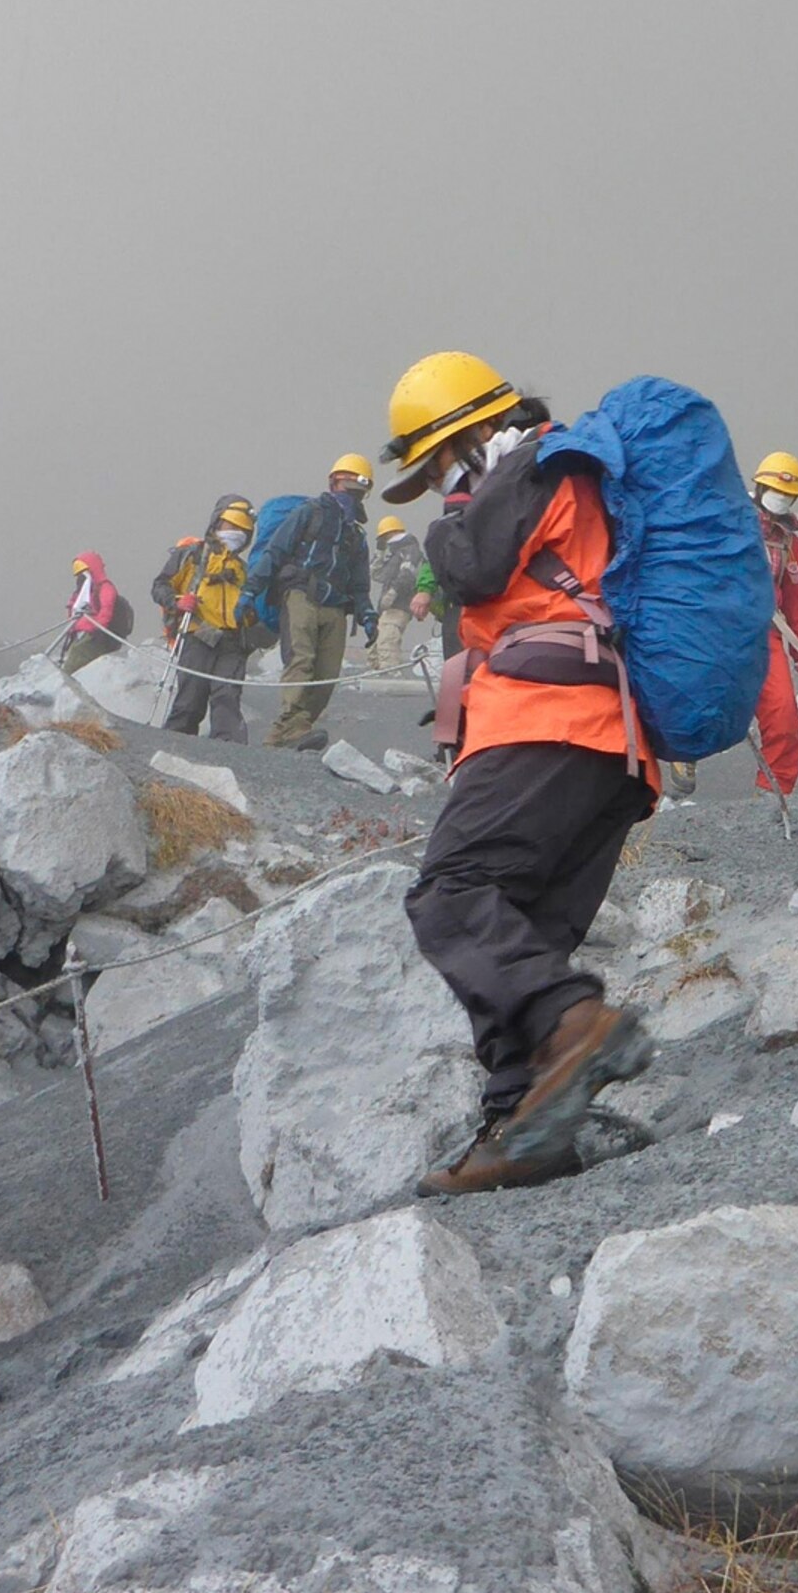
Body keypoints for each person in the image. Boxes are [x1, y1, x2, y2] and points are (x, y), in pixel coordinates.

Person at [387, 351, 656, 1196]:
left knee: (453, 893)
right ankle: (528, 1122)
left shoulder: (529, 462)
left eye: (434, 466)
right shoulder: (559, 471)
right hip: (608, 744)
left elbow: (470, 569)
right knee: (524, 929)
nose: (439, 486)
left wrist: (453, 517)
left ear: (464, 435)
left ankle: (578, 1028)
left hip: (548, 719)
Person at [257, 454, 380, 751]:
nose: (351, 489)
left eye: (358, 484)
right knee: (301, 660)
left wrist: (366, 614)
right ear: (333, 481)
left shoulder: (356, 535)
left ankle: (280, 736)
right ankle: (295, 725)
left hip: (336, 607)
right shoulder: (308, 513)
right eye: (347, 481)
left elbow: (360, 582)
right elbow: (276, 551)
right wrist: (251, 590)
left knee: (326, 675)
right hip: (300, 595)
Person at [153, 498, 261, 741]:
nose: (236, 534)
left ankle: (228, 753)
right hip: (197, 636)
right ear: (216, 524)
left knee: (227, 699)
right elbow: (160, 586)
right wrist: (177, 601)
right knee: (190, 700)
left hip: (234, 643)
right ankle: (174, 746)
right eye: (230, 527)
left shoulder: (244, 570)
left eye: (243, 531)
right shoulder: (192, 556)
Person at [748, 452, 798, 799]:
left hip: (767, 635)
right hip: (719, 633)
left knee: (784, 719)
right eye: (774, 489)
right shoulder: (726, 523)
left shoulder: (789, 541)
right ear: (757, 486)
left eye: (788, 493)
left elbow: (796, 599)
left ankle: (773, 793)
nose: (780, 497)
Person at [59, 552, 131, 671]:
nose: (81, 576)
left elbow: (106, 612)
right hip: (83, 633)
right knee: (74, 651)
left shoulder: (105, 588)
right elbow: (73, 606)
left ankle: (67, 676)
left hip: (99, 636)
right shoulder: (84, 590)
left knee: (78, 654)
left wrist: (94, 629)